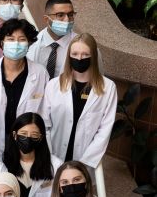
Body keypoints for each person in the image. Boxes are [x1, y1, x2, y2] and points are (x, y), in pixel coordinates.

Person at [43, 33, 117, 168]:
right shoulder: (54, 85)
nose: (79, 58)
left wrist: (86, 162)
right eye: (75, 54)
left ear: (93, 56)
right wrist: (49, 157)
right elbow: (45, 124)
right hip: (54, 156)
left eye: (85, 54)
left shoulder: (108, 87)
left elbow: (105, 129)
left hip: (85, 159)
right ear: (69, 56)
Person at [0, 19, 49, 142]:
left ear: (29, 43)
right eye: (10, 39)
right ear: (2, 43)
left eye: (22, 39)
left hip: (27, 141)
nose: (16, 44)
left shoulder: (41, 73)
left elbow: (44, 112)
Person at [3, 112, 61, 197]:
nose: (28, 139)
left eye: (34, 135)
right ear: (15, 135)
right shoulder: (3, 163)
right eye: (23, 134)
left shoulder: (55, 165)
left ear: (41, 138)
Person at [28, 0, 78, 77]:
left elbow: (96, 80)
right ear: (46, 19)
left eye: (70, 15)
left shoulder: (84, 45)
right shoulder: (30, 44)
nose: (67, 20)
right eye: (60, 15)